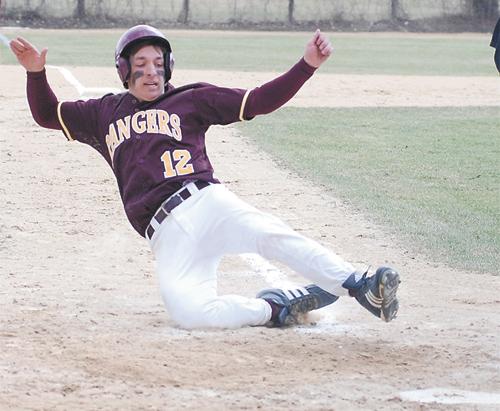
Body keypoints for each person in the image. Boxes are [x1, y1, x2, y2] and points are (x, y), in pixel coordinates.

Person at [10, 25, 400, 329]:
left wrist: (306, 66)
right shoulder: (103, 112)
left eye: (159, 64)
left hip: (204, 201)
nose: (152, 72)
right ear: (124, 70)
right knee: (192, 315)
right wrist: (36, 74)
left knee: (269, 234)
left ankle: (360, 283)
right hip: (164, 235)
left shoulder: (191, 99)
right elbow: (48, 114)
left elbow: (258, 100)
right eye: (142, 64)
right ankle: (275, 307)